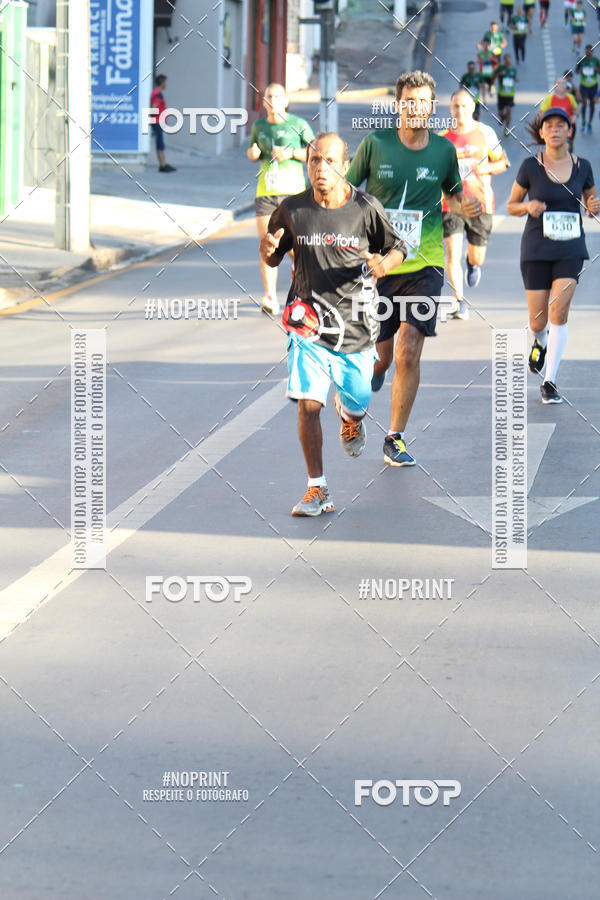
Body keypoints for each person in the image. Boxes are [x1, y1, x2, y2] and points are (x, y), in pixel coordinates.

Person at [260, 133, 406, 515]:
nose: (320, 168)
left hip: (355, 325)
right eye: (313, 161)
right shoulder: (292, 209)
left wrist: (384, 264)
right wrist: (267, 250)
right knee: (308, 404)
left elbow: (397, 246)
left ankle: (351, 418)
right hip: (307, 322)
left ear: (344, 165)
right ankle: (317, 488)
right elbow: (274, 255)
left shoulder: (364, 207)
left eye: (328, 161)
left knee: (358, 399)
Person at [346, 71, 482, 466]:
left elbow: (453, 197)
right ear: (398, 105)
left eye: (423, 103)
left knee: (409, 350)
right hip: (379, 266)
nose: (416, 109)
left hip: (425, 262)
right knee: (383, 356)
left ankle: (395, 437)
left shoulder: (442, 151)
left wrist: (465, 207)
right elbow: (347, 195)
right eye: (409, 102)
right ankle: (371, 377)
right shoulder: (375, 145)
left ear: (431, 108)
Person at [507, 107, 600, 403]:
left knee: (559, 311)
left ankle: (550, 381)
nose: (556, 129)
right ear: (543, 133)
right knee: (538, 320)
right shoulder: (529, 166)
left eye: (562, 125)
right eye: (550, 125)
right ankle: (540, 340)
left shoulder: (583, 166)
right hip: (536, 247)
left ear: (569, 132)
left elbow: (591, 200)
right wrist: (527, 207)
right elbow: (511, 205)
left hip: (571, 247)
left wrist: (592, 207)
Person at [439, 90, 509, 314]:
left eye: (464, 106)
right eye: (456, 106)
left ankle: (473, 263)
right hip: (452, 205)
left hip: (481, 204)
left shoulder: (485, 133)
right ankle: (460, 302)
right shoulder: (441, 139)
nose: (460, 111)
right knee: (451, 253)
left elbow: (503, 163)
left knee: (476, 255)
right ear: (450, 109)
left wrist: (485, 168)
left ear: (472, 108)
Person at [248, 83, 315, 315]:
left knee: (296, 246)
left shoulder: (298, 125)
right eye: (268, 96)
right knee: (268, 244)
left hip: (293, 193)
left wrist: (292, 154)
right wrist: (253, 153)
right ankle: (270, 297)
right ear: (264, 101)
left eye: (277, 96)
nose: (273, 100)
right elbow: (252, 150)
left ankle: (301, 285)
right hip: (266, 192)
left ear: (285, 100)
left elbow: (314, 151)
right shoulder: (259, 126)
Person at [540, 77, 579, 150]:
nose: (562, 85)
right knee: (557, 149)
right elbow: (541, 112)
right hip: (554, 129)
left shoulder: (570, 97)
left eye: (564, 83)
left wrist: (574, 115)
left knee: (568, 148)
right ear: (555, 85)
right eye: (559, 83)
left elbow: (576, 109)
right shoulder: (549, 98)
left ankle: (570, 156)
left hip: (567, 127)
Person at [149, 75, 176, 173]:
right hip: (158, 122)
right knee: (160, 143)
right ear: (163, 83)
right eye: (165, 82)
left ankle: (163, 163)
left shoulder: (157, 93)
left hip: (158, 121)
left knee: (161, 143)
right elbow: (154, 107)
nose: (166, 84)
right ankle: (162, 165)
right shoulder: (157, 94)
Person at [576, 46, 600, 131]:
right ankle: (583, 121)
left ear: (592, 52)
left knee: (592, 104)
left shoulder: (596, 60)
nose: (587, 53)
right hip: (584, 85)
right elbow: (577, 71)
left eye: (589, 51)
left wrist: (596, 69)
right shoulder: (581, 60)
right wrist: (580, 71)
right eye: (586, 51)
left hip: (593, 85)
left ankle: (590, 122)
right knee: (584, 103)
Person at [493, 53, 519, 134]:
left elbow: (515, 78)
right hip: (501, 94)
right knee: (500, 112)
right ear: (504, 61)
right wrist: (499, 74)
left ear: (511, 60)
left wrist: (516, 79)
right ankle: (503, 117)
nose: (508, 61)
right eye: (506, 60)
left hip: (510, 94)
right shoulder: (500, 68)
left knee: (508, 110)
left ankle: (507, 128)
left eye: (509, 59)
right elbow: (493, 76)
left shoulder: (513, 70)